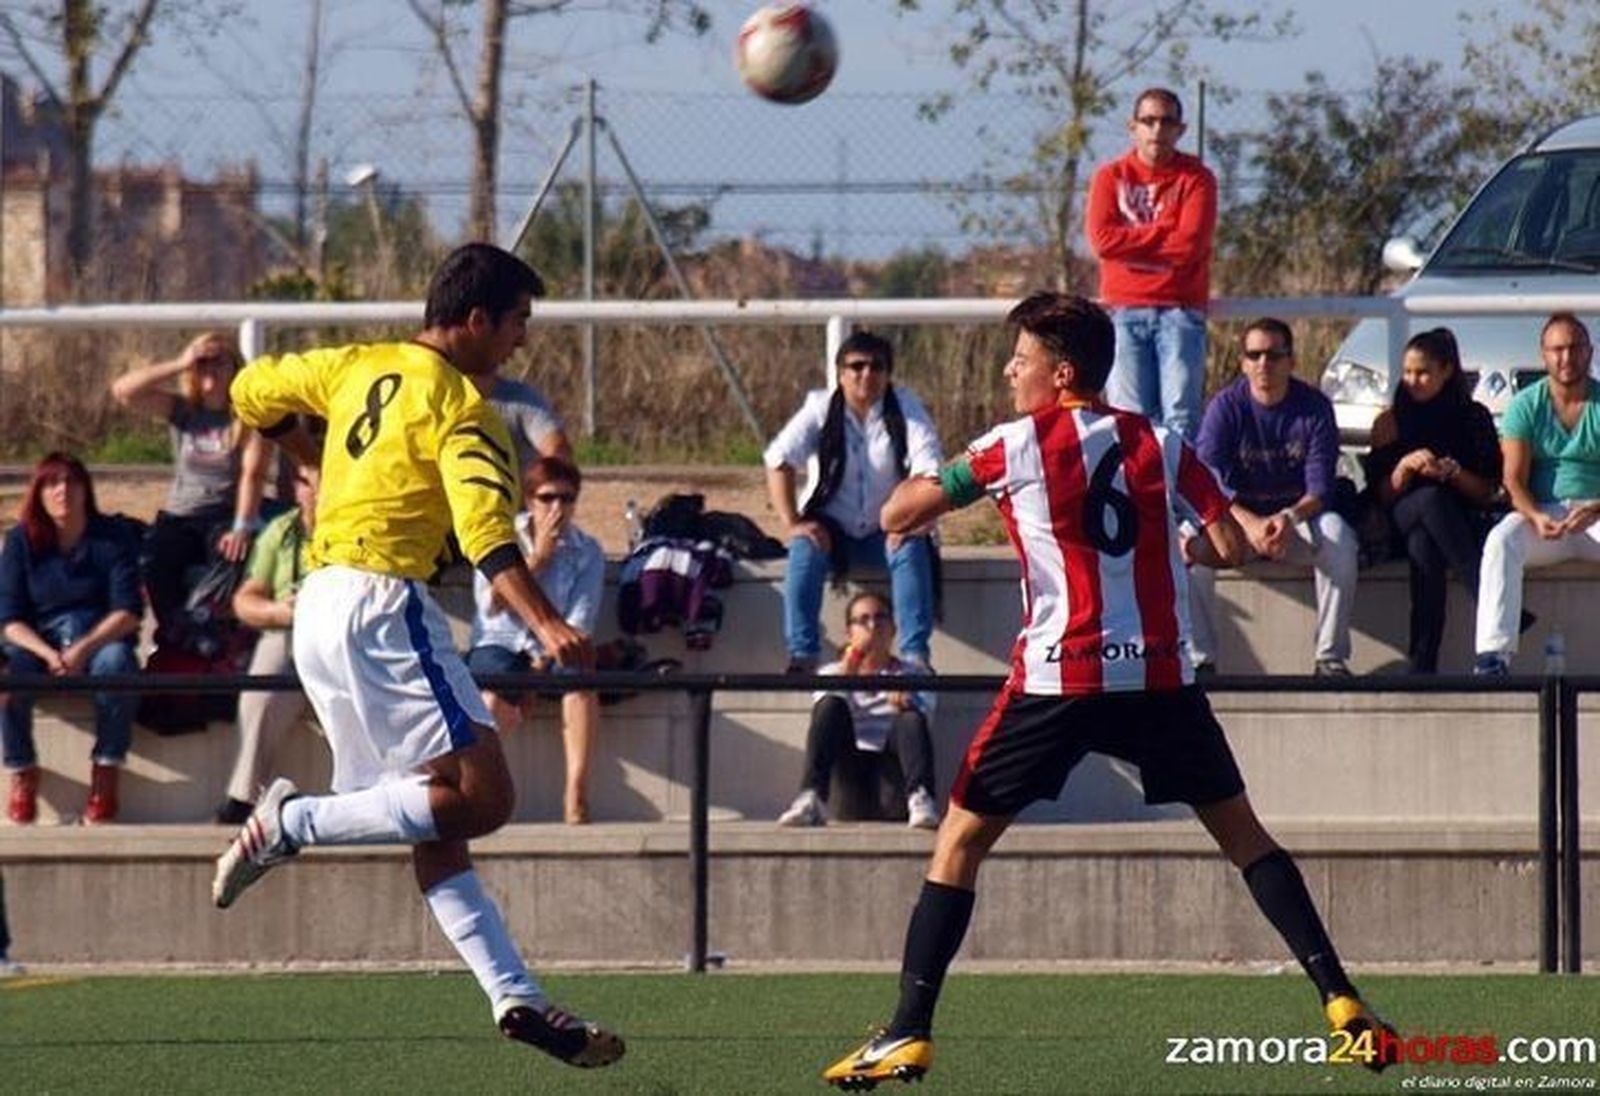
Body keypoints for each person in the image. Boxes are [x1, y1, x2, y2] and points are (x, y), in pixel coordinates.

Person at [820, 292, 1396, 1090]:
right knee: (1245, 837)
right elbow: (1228, 545)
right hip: (1158, 676)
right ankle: (1340, 998)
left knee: (958, 843)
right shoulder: (1161, 442)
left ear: (1060, 375)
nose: (1008, 372)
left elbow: (897, 511)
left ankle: (909, 1033)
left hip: (1058, 678)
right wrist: (1177, 542)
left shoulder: (1014, 444)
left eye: (1019, 361)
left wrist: (952, 473)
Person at [212, 242, 623, 1069]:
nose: (518, 345)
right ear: (476, 320)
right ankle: (290, 822)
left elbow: (248, 389)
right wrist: (547, 627)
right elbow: (484, 539)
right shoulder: (465, 412)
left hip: (321, 608)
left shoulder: (356, 365)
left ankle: (515, 995)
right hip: (382, 604)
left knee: (437, 819)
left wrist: (312, 454)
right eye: (515, 325)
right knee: (484, 795)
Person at [764, 331, 943, 674]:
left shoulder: (905, 406)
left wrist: (916, 519)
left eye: (877, 366)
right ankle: (802, 654)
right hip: (833, 533)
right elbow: (778, 460)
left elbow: (929, 466)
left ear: (888, 373)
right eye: (856, 366)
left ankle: (915, 657)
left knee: (911, 545)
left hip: (885, 530)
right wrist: (793, 521)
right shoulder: (820, 407)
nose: (866, 374)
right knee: (803, 547)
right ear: (840, 373)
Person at [1190, 318, 1358, 676]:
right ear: (1243, 362)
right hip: (1238, 524)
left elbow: (1320, 489)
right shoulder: (1225, 408)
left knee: (1340, 539)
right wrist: (1251, 524)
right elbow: (1206, 483)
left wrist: (1286, 519)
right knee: (1192, 547)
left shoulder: (1314, 408)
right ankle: (1201, 659)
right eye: (1255, 355)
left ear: (1291, 361)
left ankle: (1330, 657)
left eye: (1274, 355)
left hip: (1296, 522)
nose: (1264, 364)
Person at [1, 452, 142, 825]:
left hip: (98, 640)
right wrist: (48, 654)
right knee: (7, 675)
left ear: (85, 489)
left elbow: (128, 612)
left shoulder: (113, 537)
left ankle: (105, 773)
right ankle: (23, 770)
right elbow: (10, 619)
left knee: (117, 664)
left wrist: (82, 649)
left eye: (71, 481)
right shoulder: (19, 542)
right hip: (38, 643)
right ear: (39, 493)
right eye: (52, 483)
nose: (62, 490)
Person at [466, 456, 604, 825]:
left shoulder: (587, 550)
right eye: (547, 498)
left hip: (553, 646)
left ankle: (575, 793)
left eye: (567, 499)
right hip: (500, 642)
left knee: (582, 680)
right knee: (494, 692)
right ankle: (479, 791)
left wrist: (540, 665)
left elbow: (580, 621)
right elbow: (490, 606)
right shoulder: (499, 538)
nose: (557, 508)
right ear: (529, 500)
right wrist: (539, 557)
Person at [110, 332, 269, 647]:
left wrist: (242, 526)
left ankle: (213, 633)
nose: (209, 369)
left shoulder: (245, 418)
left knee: (234, 558)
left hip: (224, 516)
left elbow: (254, 474)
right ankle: (174, 634)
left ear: (234, 368)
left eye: (218, 361)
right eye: (203, 362)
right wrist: (182, 362)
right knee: (155, 558)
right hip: (180, 515)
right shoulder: (184, 411)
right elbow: (123, 391)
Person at [1367, 328, 1506, 673]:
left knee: (1425, 542)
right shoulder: (1391, 421)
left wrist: (1453, 473)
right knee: (1427, 501)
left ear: (1446, 371)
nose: (1414, 381)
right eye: (1408, 372)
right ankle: (1485, 594)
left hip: (1457, 523)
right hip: (1399, 517)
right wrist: (1404, 467)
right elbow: (1380, 496)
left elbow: (1487, 491)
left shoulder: (1472, 418)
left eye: (1424, 373)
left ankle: (1422, 663)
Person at [1085, 87, 1217, 440]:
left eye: (1167, 121)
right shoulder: (1110, 178)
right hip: (1123, 311)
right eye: (1148, 121)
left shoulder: (1196, 178)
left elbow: (1189, 244)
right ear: (1133, 127)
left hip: (1180, 310)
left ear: (1181, 129)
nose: (1157, 129)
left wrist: (1131, 242)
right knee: (1129, 419)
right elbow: (1102, 241)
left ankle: (1177, 494)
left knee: (1181, 418)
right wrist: (1163, 230)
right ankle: (1136, 494)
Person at [1474, 313, 1600, 675]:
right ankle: (1492, 658)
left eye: (1575, 348)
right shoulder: (1525, 404)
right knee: (1501, 541)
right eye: (1557, 349)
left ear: (1590, 352)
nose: (1566, 358)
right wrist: (1535, 516)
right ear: (1543, 354)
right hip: (1545, 516)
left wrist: (1594, 507)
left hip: (1594, 516)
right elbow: (1512, 480)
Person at [776, 592, 939, 830]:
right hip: (849, 779)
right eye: (863, 620)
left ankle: (921, 799)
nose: (872, 626)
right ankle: (811, 797)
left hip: (893, 780)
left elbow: (927, 714)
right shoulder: (831, 672)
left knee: (911, 717)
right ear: (849, 633)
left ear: (893, 628)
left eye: (880, 618)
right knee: (831, 704)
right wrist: (849, 671)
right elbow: (824, 716)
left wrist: (909, 702)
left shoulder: (914, 674)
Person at [214, 467, 320, 826]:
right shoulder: (281, 531)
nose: (318, 489)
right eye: (308, 481)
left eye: (327, 477)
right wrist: (280, 610)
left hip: (343, 638)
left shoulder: (358, 529)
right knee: (259, 691)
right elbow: (245, 601)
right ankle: (244, 797)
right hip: (287, 633)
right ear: (296, 487)